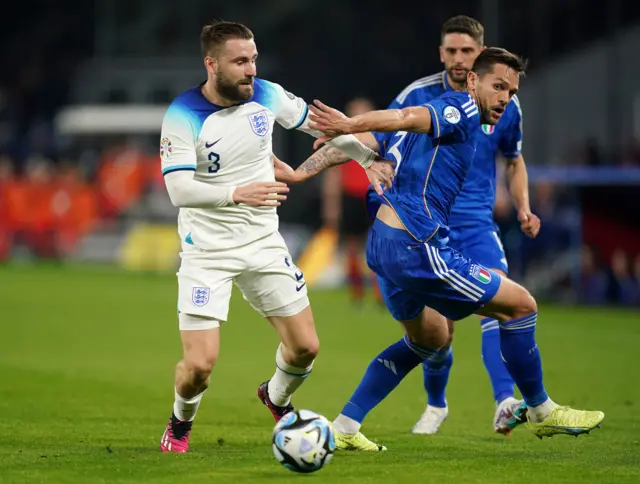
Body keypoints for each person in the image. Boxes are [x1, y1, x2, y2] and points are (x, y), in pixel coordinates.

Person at [287, 47, 604, 450]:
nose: (505, 98)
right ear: (473, 81)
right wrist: (348, 123)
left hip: (383, 245)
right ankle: (540, 409)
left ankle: (345, 426)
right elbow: (402, 118)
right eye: (498, 86)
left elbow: (374, 140)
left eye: (511, 90)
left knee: (429, 339)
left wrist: (300, 171)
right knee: (521, 304)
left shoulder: (449, 111)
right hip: (416, 246)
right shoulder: (460, 110)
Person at [158, 19, 393, 453]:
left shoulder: (268, 94)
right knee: (199, 366)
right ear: (211, 64)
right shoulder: (182, 114)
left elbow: (326, 130)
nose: (250, 69)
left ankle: (276, 396)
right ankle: (179, 423)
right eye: (240, 61)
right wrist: (237, 192)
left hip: (264, 243)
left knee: (305, 347)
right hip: (206, 252)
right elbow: (178, 189)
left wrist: (365, 160)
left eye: (253, 59)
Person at [373, 15, 539, 436]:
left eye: (467, 51)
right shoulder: (419, 94)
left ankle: (505, 401)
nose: (459, 59)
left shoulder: (505, 101)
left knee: (501, 303)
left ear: (480, 53)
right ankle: (436, 404)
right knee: (438, 335)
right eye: (451, 51)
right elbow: (382, 135)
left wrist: (523, 206)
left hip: (476, 223)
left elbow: (514, 159)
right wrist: (365, 156)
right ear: (440, 53)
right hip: (424, 225)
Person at [322, 97, 382, 306]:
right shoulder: (342, 139)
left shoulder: (378, 137)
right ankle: (357, 291)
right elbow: (333, 174)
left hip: (374, 194)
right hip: (350, 198)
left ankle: (380, 293)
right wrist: (332, 205)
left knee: (377, 246)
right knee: (352, 247)